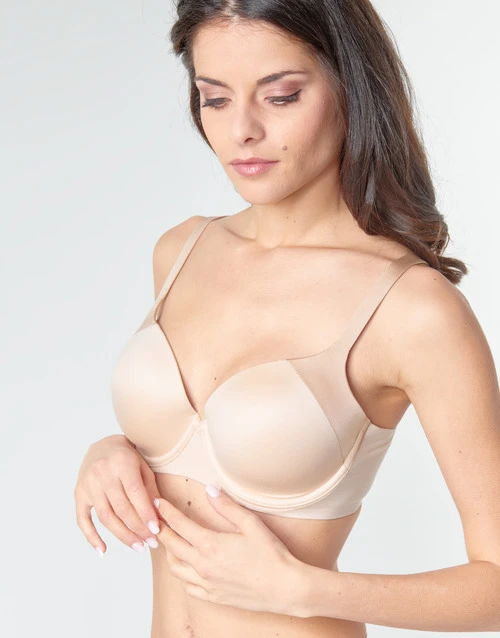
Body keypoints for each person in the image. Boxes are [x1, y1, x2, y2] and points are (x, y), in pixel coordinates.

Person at [74, 1, 500, 636]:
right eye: (215, 99)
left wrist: (305, 590)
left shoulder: (410, 308)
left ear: (350, 88)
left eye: (281, 96)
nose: (241, 130)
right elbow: (189, 457)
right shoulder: (182, 250)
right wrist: (112, 452)